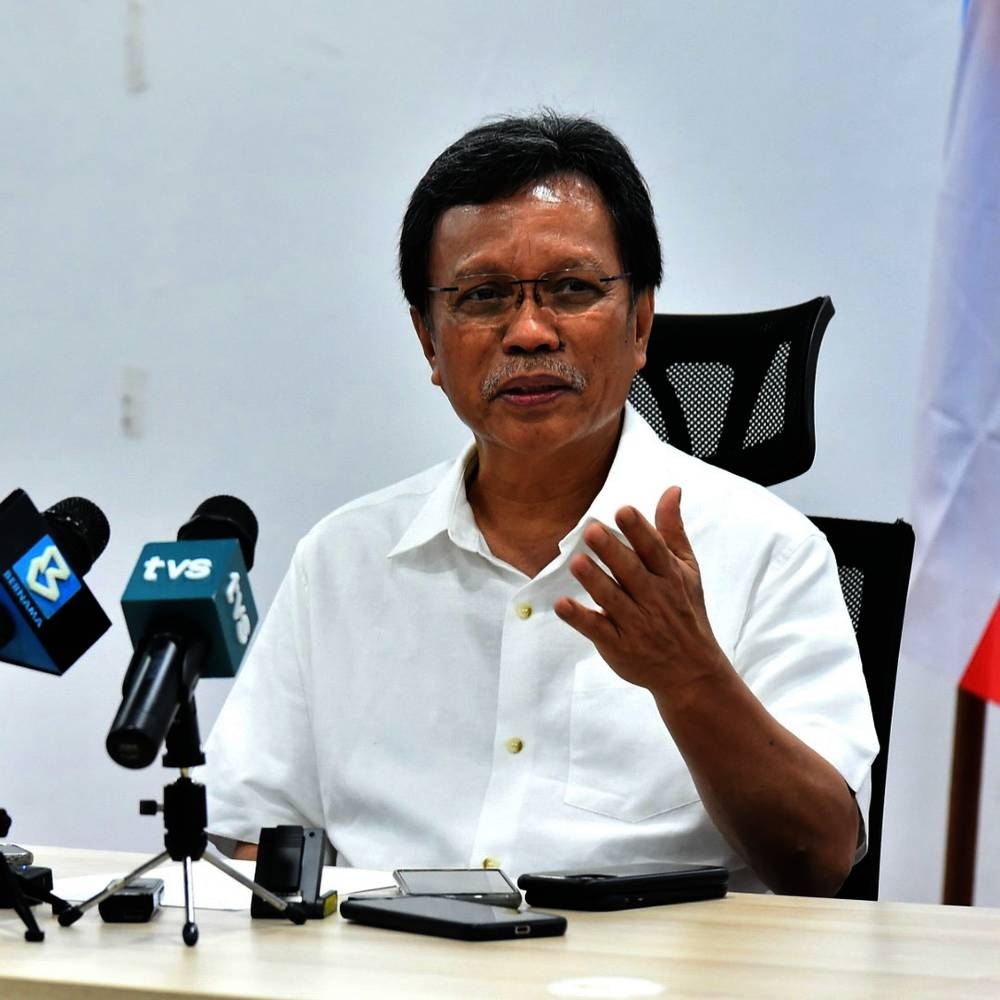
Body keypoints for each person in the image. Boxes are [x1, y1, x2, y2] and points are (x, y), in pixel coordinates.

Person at [203, 111, 877, 895]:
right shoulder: (344, 559)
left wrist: (689, 678)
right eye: (484, 295)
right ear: (428, 338)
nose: (528, 331)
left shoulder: (764, 550)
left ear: (642, 321)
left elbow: (820, 861)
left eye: (571, 289)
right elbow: (248, 837)